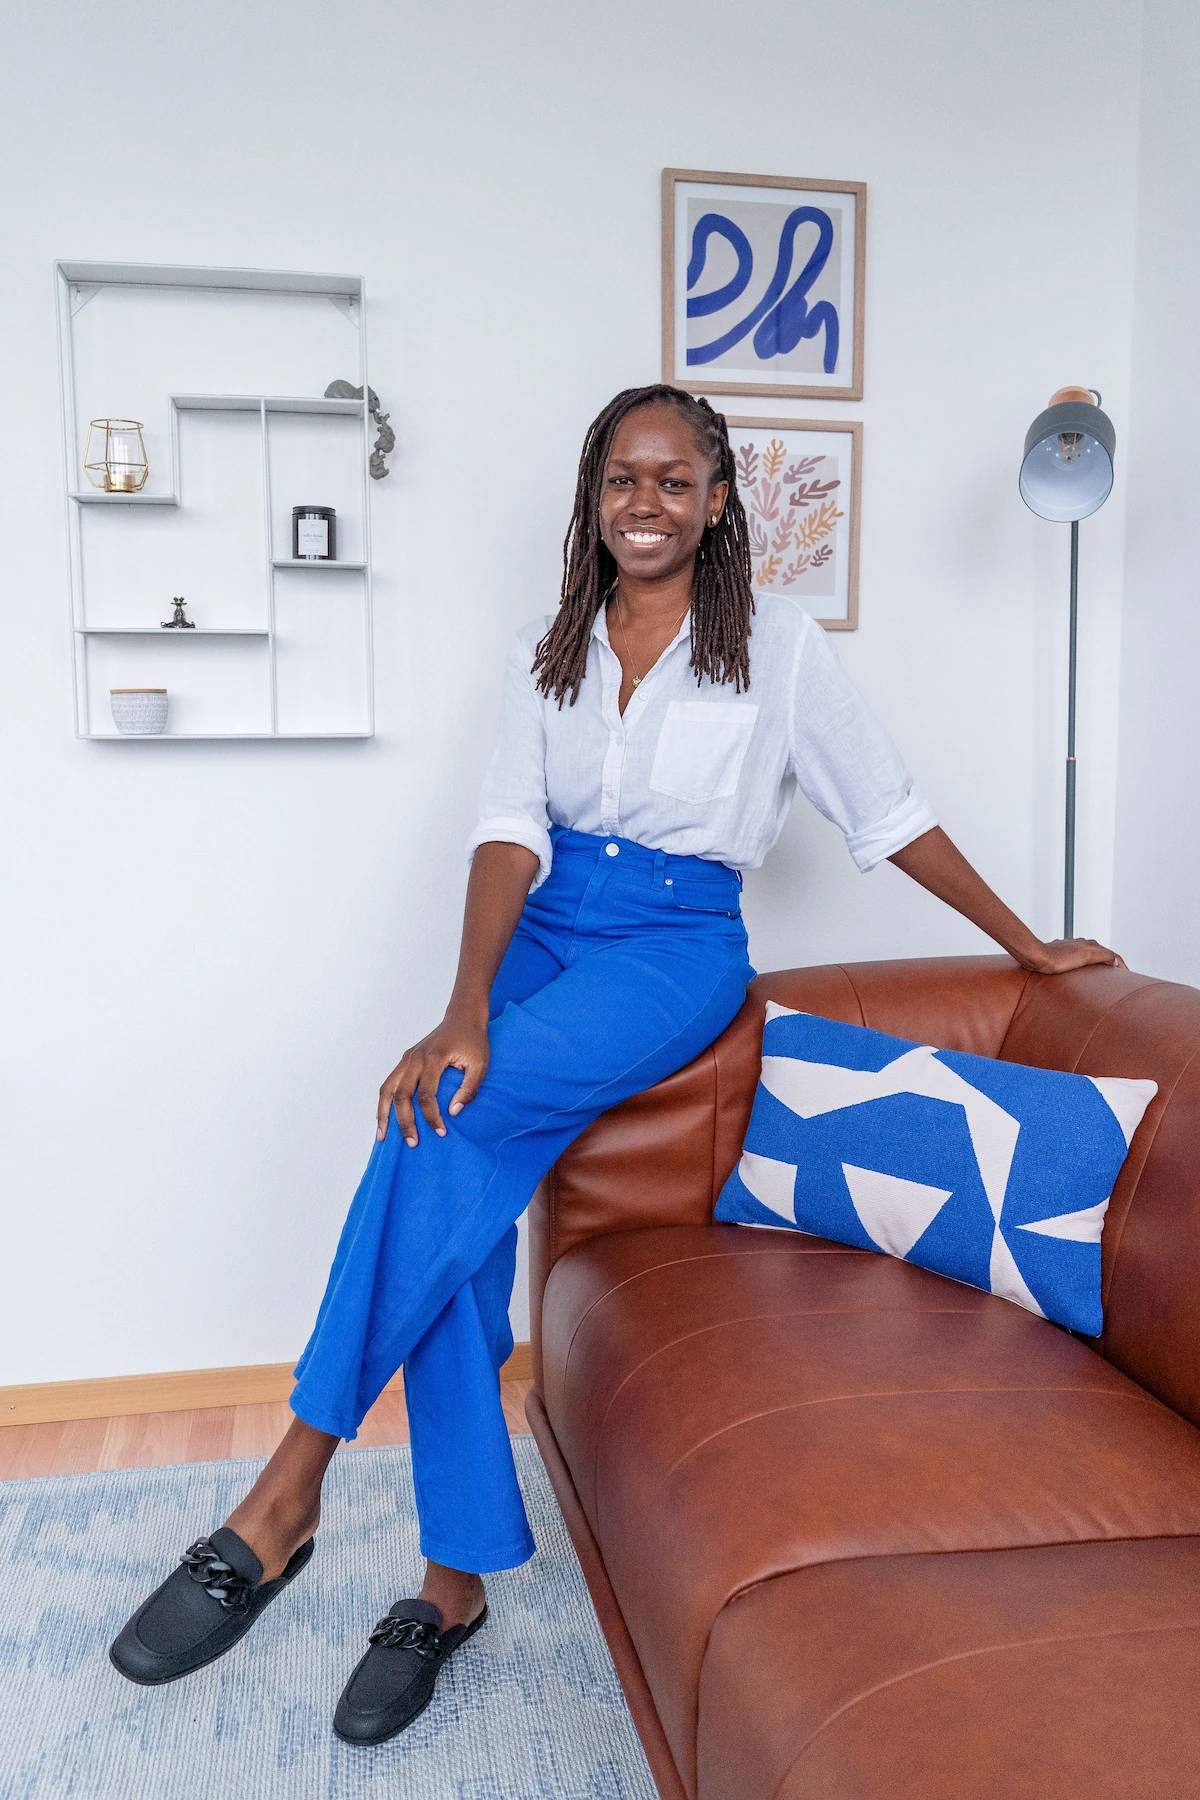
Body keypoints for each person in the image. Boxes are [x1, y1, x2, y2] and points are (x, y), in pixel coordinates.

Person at [108, 384, 1122, 1741]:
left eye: (673, 479)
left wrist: (1028, 942)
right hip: (542, 921)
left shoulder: (777, 649)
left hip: (672, 942)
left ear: (718, 500)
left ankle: (287, 1487)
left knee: (439, 1143)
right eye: (620, 481)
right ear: (594, 500)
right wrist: (462, 1004)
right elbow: (508, 835)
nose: (645, 503)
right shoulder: (555, 646)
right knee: (436, 1153)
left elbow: (892, 815)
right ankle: (450, 1584)